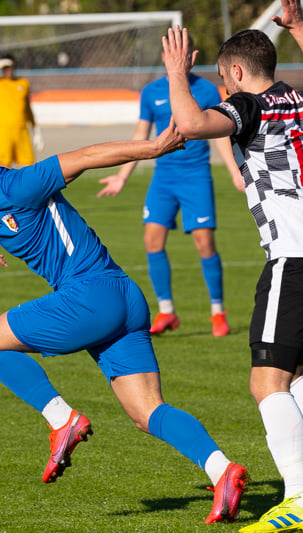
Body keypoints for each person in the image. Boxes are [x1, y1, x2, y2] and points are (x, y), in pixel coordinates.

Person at [0, 125, 249, 524]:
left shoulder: (22, 184)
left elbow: (88, 156)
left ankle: (62, 419)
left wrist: (154, 147)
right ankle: (222, 471)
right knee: (146, 413)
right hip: (124, 297)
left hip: (91, 296)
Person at [162, 0, 303, 533]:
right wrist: (299, 26)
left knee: (265, 382)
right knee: (291, 375)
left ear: (238, 73)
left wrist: (177, 75)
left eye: (225, 80)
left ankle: (299, 497)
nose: (223, 90)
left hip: (296, 263)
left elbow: (191, 122)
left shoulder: (249, 107)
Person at [97, 45, 245, 337]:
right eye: (169, 53)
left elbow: (219, 136)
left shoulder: (206, 91)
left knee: (204, 244)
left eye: (184, 53)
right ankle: (166, 311)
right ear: (164, 56)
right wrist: (122, 176)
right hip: (163, 178)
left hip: (196, 177)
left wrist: (234, 171)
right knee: (152, 240)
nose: (176, 58)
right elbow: (141, 136)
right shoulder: (150, 92)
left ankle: (218, 312)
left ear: (192, 57)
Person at [0, 54, 43, 168]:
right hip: (5, 129)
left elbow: (27, 107)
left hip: (22, 129)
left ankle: (27, 186)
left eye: (11, 67)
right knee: (3, 164)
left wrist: (35, 128)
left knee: (29, 165)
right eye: (5, 68)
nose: (9, 70)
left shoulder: (23, 83)